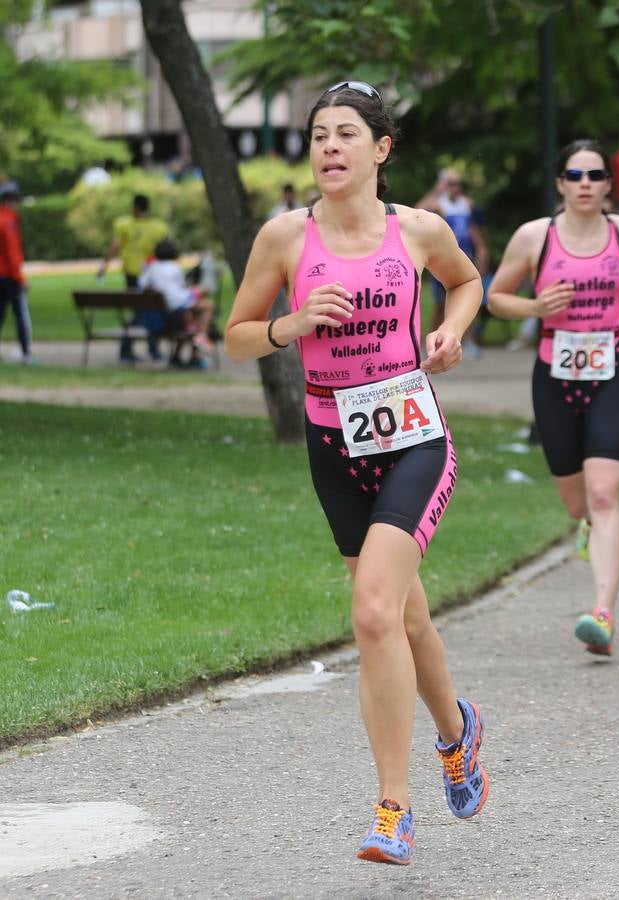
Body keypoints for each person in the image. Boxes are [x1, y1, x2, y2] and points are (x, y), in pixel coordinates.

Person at [223, 80, 488, 865]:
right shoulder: (282, 239)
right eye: (318, 136)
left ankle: (392, 810)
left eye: (345, 134)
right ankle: (458, 733)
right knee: (404, 617)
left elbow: (467, 282)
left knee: (373, 612)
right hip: (334, 445)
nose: (329, 148)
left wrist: (451, 328)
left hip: (412, 436)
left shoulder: (419, 230)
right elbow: (236, 336)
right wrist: (292, 324)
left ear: (380, 150)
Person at [487, 139, 619, 657]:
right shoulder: (534, 237)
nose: (585, 184)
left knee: (605, 492)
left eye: (595, 175)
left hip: (614, 370)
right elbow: (496, 297)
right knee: (577, 501)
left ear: (609, 185)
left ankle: (603, 614)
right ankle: (590, 527)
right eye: (575, 175)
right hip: (555, 375)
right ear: (561, 184)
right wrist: (536, 306)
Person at [417, 168, 491, 356]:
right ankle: (432, 341)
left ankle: (469, 341)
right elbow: (415, 214)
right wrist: (436, 191)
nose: (455, 188)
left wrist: (482, 250)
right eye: (450, 183)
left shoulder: (467, 204)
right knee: (440, 304)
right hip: (443, 260)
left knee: (470, 299)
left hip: (464, 257)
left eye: (457, 183)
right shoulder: (438, 205)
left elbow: (473, 229)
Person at [99, 194, 169, 362]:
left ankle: (127, 349)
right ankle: (153, 349)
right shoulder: (158, 227)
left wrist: (104, 266)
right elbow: (166, 250)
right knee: (151, 310)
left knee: (140, 312)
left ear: (135, 207)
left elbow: (115, 246)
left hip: (132, 274)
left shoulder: (124, 225)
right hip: (153, 275)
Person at [139, 239, 215, 368]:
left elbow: (142, 285)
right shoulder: (174, 267)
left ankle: (183, 353)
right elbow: (181, 288)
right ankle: (201, 336)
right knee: (207, 305)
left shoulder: (151, 267)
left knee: (191, 318)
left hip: (163, 310)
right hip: (176, 306)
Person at [0, 185, 33, 365]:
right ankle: (26, 353)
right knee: (20, 314)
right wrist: (20, 278)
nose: (17, 206)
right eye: (15, 202)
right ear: (7, 202)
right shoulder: (9, 221)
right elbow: (13, 253)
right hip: (9, 277)